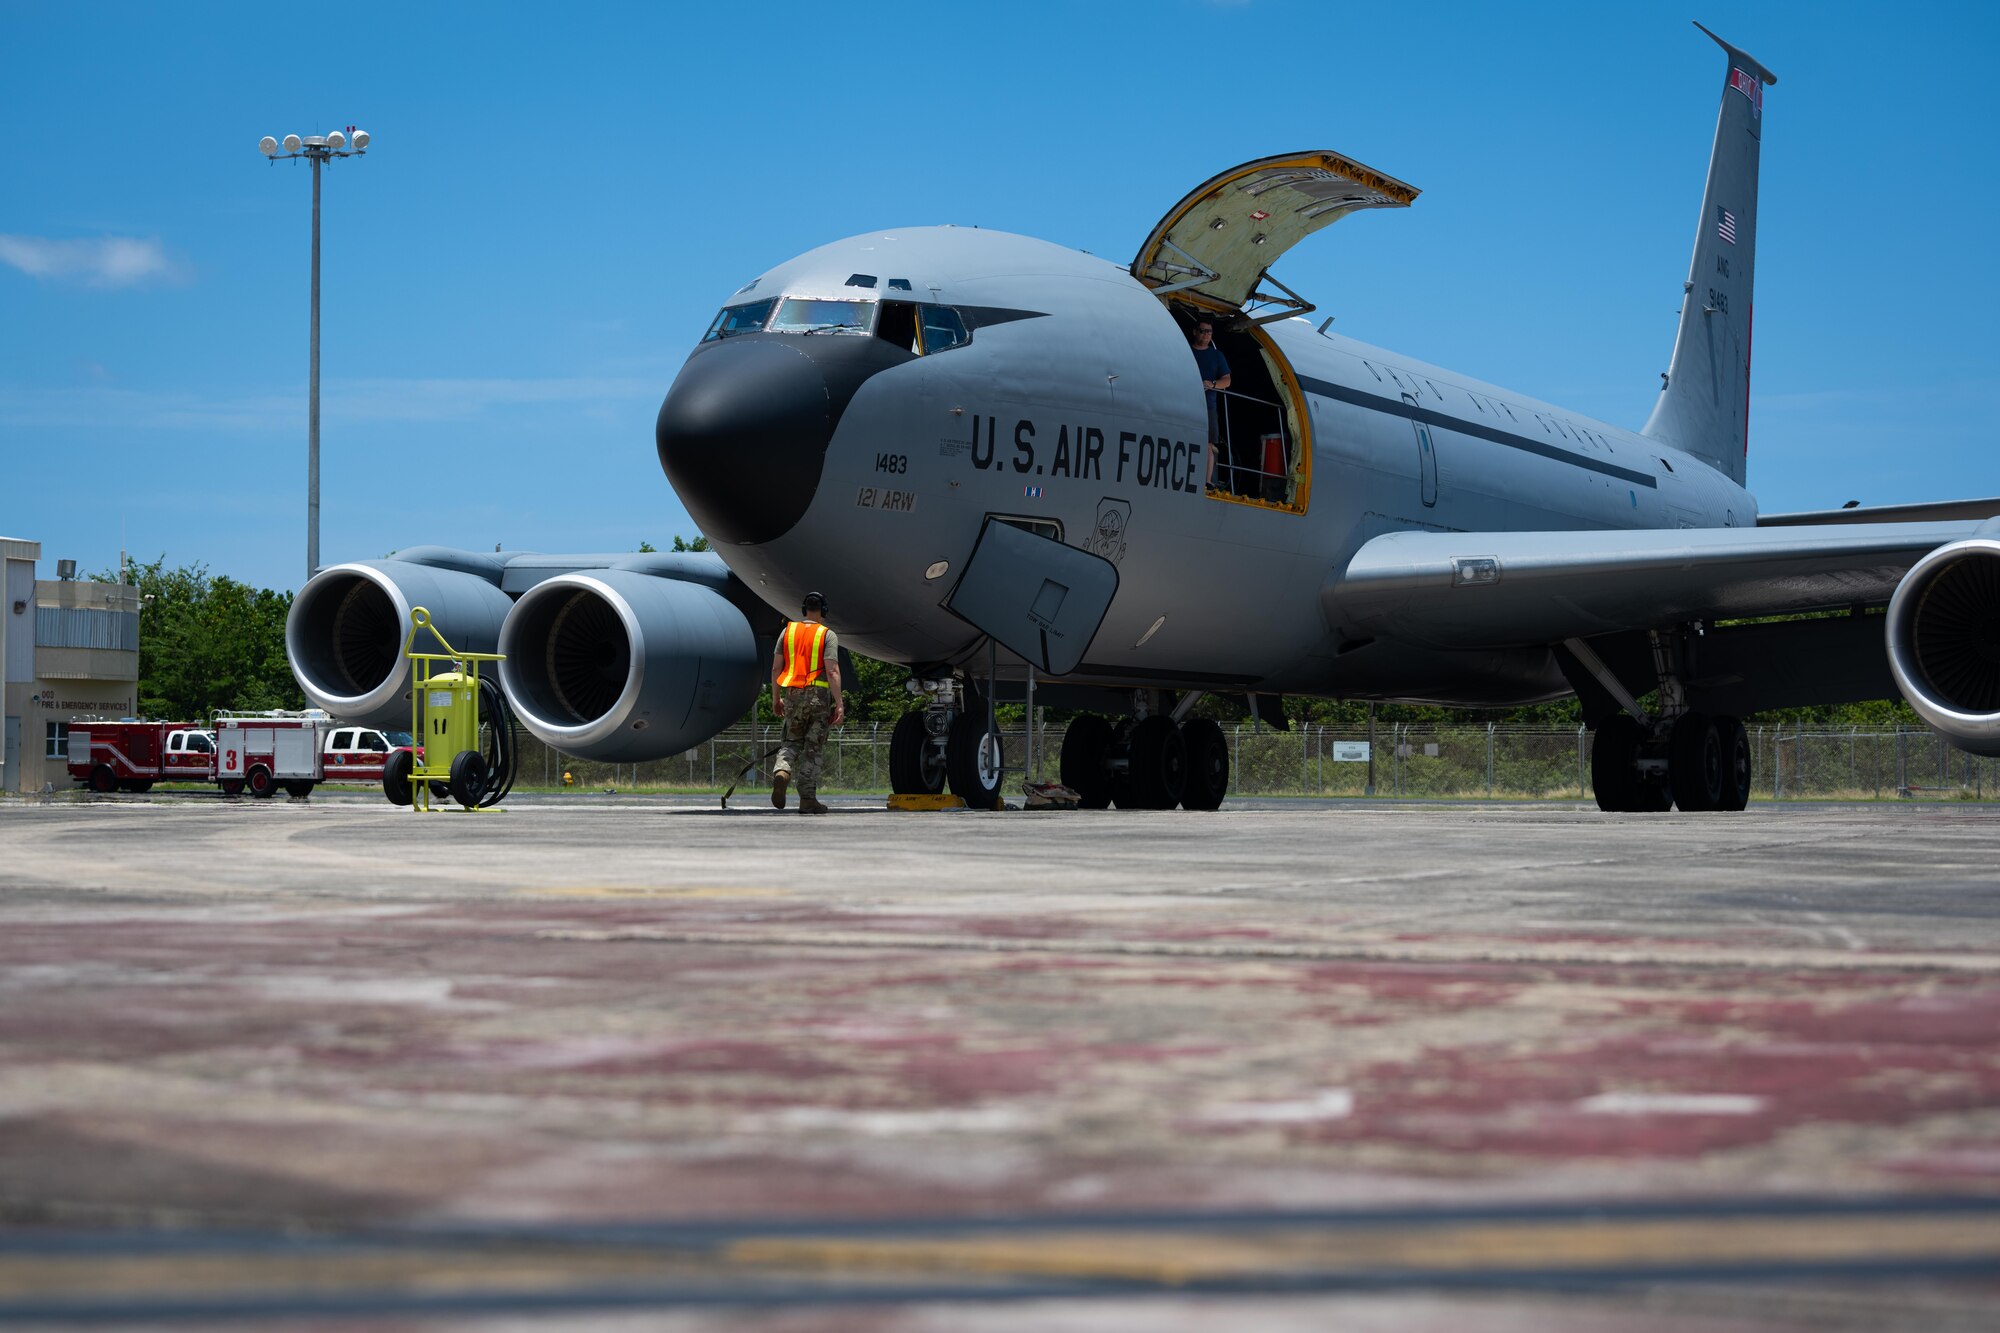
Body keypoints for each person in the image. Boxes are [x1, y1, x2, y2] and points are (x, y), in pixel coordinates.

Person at [770, 591, 844, 814]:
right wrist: (839, 703)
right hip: (818, 698)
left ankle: (782, 772)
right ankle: (807, 799)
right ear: (824, 611)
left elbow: (775, 668)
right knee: (813, 748)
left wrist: (776, 697)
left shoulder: (788, 632)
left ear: (804, 610)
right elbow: (832, 671)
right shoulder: (827, 635)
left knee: (791, 742)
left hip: (792, 696)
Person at [1190, 319, 1232, 489]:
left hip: (1208, 405)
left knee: (1208, 444)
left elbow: (1227, 380)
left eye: (1209, 332)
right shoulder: (1186, 350)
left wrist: (1212, 384)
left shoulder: (1217, 355)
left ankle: (1207, 480)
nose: (1206, 334)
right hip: (1185, 401)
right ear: (1195, 332)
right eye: (1202, 330)